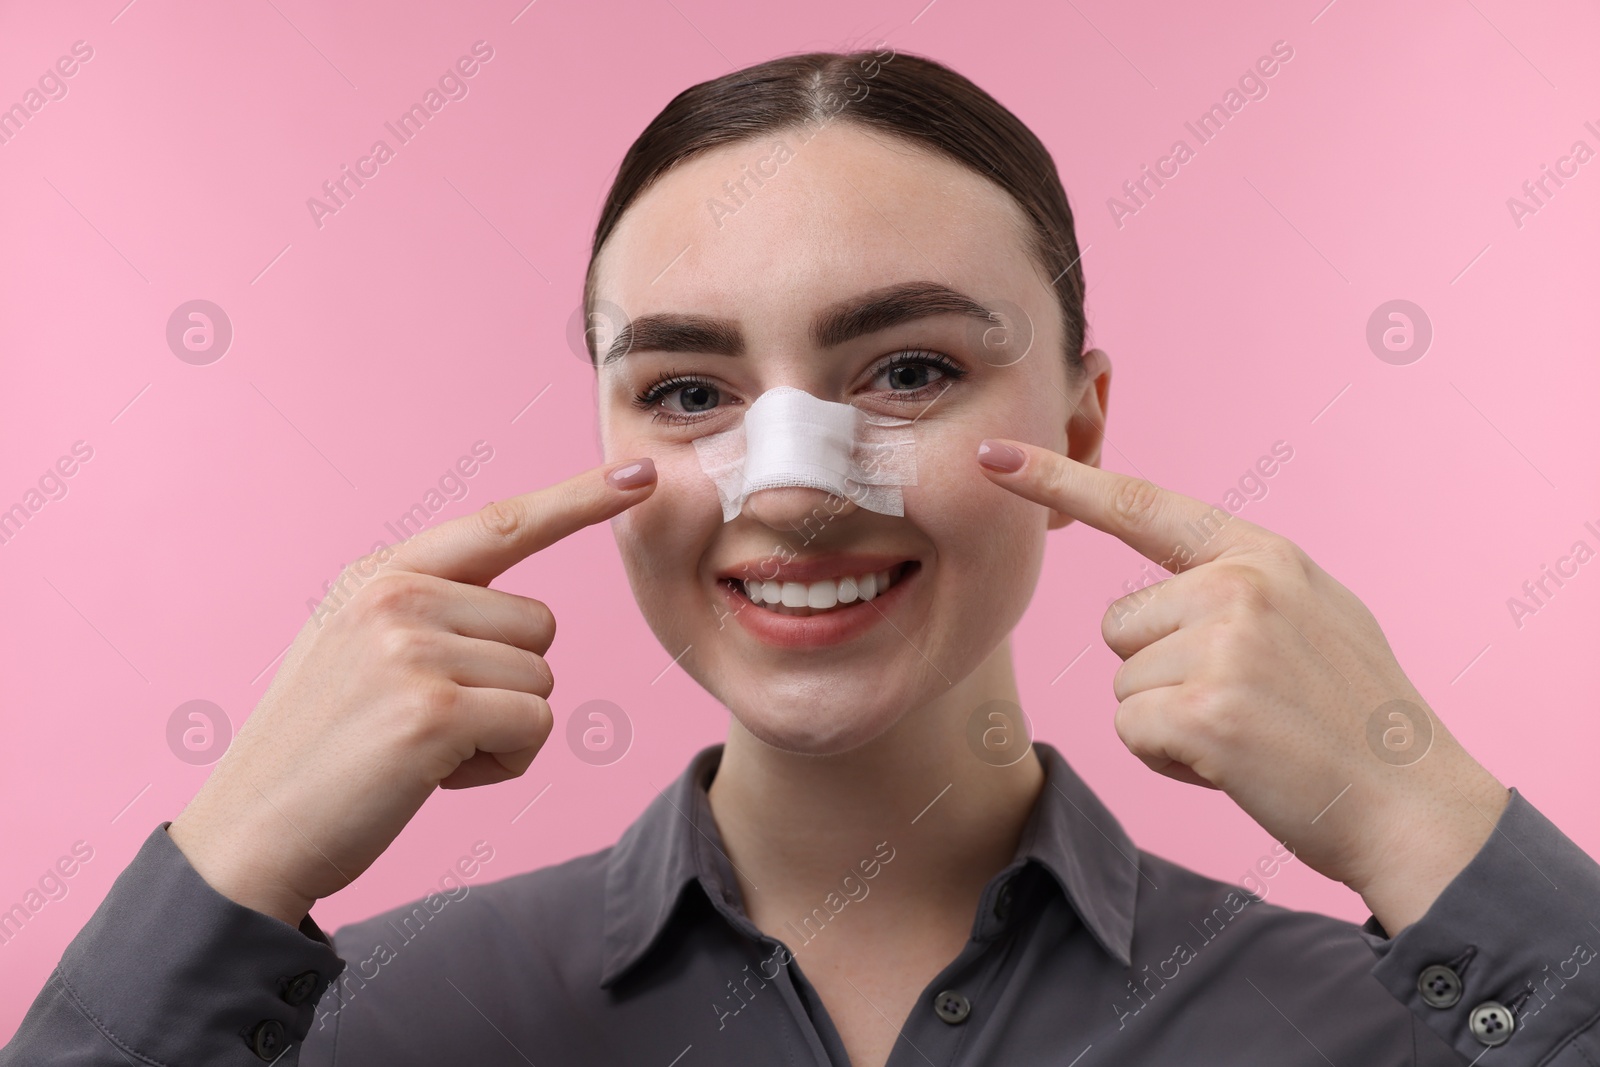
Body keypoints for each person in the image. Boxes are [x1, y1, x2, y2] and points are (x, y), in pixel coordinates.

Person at [5, 46, 1597, 1067]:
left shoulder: (1393, 1028)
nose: (789, 495)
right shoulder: (370, 1023)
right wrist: (223, 868)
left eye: (906, 371)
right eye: (691, 393)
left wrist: (1422, 807)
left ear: (1084, 421)